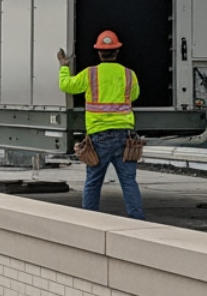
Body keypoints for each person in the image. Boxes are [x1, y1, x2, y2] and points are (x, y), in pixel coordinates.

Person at [58, 30, 145, 220]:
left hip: (99, 137)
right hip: (125, 137)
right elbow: (135, 95)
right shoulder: (129, 75)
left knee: (93, 181)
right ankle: (137, 220)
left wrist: (64, 67)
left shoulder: (90, 74)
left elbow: (67, 86)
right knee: (129, 182)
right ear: (117, 51)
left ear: (99, 52)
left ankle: (90, 222)